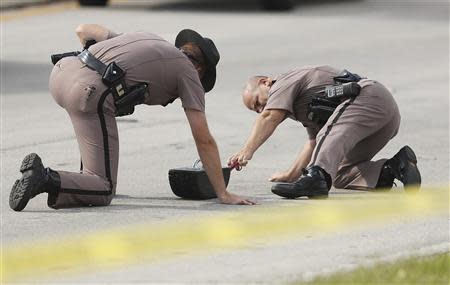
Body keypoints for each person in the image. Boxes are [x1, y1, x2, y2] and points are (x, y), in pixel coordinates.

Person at [9, 24, 255, 211]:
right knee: (105, 189)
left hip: (61, 74)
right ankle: (43, 177)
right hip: (89, 93)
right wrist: (223, 193)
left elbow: (84, 29)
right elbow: (203, 138)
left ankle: (83, 183)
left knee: (94, 131)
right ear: (200, 69)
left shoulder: (150, 39)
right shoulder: (188, 72)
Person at [228, 65, 421, 199]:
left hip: (369, 96)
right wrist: (290, 175)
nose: (260, 109)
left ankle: (315, 179)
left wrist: (247, 150)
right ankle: (395, 166)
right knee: (339, 173)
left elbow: (269, 117)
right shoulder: (301, 107)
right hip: (384, 119)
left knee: (329, 138)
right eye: (256, 110)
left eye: (256, 102)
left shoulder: (282, 83)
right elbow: (313, 144)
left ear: (265, 82)